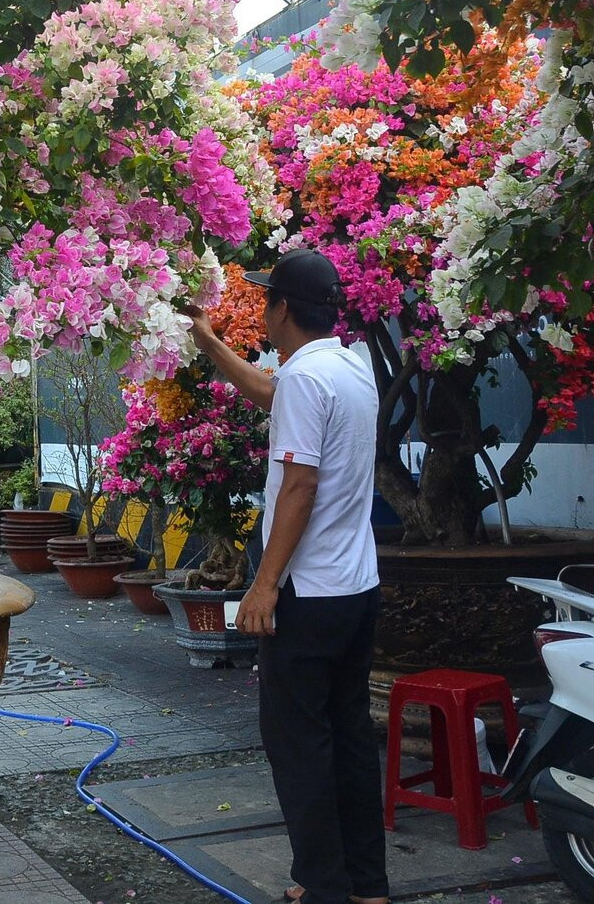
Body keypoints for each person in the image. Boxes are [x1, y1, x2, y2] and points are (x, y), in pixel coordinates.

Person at [190, 249, 386, 904]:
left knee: (299, 745)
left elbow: (299, 485)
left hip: (306, 595)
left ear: (280, 309)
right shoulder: (352, 368)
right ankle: (365, 885)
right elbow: (273, 393)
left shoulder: (308, 379)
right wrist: (208, 340)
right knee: (351, 737)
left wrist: (264, 584)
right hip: (356, 590)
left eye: (266, 300)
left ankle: (323, 887)